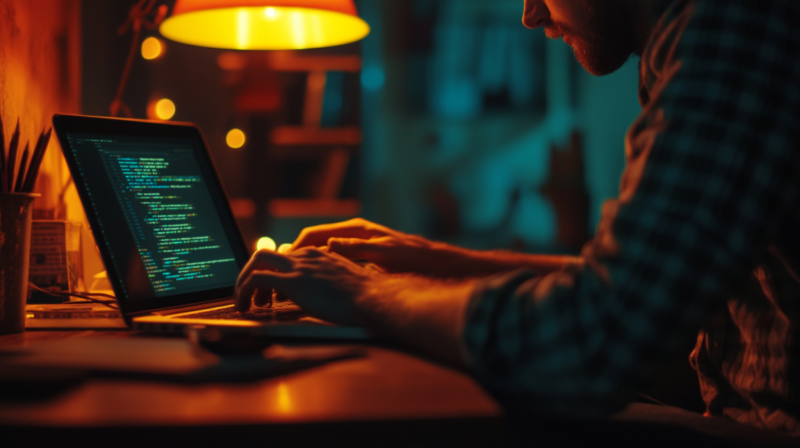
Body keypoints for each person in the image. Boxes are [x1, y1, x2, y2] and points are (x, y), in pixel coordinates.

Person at [236, 0, 800, 436]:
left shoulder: (734, 29)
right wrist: (429, 261)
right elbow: (644, 287)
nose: (531, 15)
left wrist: (367, 295)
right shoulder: (694, 39)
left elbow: (592, 339)